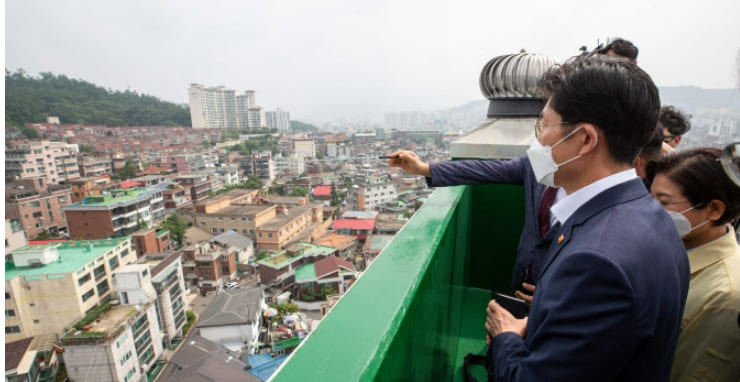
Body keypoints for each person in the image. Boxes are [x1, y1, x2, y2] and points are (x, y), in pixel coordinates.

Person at [483, 55, 688, 381]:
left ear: (585, 140)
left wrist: (506, 335)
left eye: (545, 125)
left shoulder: (597, 263)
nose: (540, 140)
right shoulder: (652, 216)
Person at [647, 148, 740, 381]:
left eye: (664, 203)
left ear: (714, 210)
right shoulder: (666, 251)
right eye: (650, 199)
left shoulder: (725, 297)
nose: (650, 211)